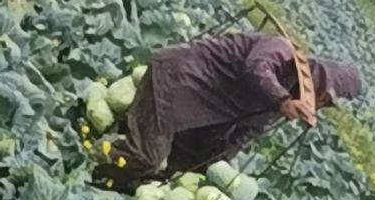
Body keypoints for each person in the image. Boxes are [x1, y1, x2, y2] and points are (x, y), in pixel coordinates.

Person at [109, 32, 362, 187]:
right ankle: (87, 169)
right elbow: (256, 68)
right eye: (325, 99)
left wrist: (205, 173)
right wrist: (282, 99)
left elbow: (241, 135)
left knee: (172, 173)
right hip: (175, 83)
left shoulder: (282, 106)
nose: (320, 105)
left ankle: (115, 176)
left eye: (327, 106)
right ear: (320, 82)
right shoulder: (282, 50)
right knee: (146, 157)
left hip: (195, 114)